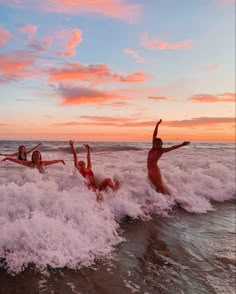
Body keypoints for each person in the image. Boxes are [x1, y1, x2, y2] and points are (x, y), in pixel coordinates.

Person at [147, 119, 190, 195]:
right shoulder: (153, 148)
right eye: (156, 143)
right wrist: (157, 124)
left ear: (161, 145)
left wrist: (182, 144)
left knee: (160, 187)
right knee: (155, 186)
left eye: (160, 144)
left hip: (155, 171)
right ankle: (159, 201)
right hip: (149, 170)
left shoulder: (161, 151)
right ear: (154, 144)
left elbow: (172, 147)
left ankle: (169, 200)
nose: (158, 145)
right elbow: (154, 134)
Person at [1, 150, 65, 173]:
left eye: (37, 155)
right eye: (34, 155)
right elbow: (17, 161)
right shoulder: (29, 163)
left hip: (44, 178)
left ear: (40, 156)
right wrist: (8, 158)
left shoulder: (43, 162)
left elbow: (53, 161)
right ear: (32, 157)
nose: (36, 156)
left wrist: (61, 160)